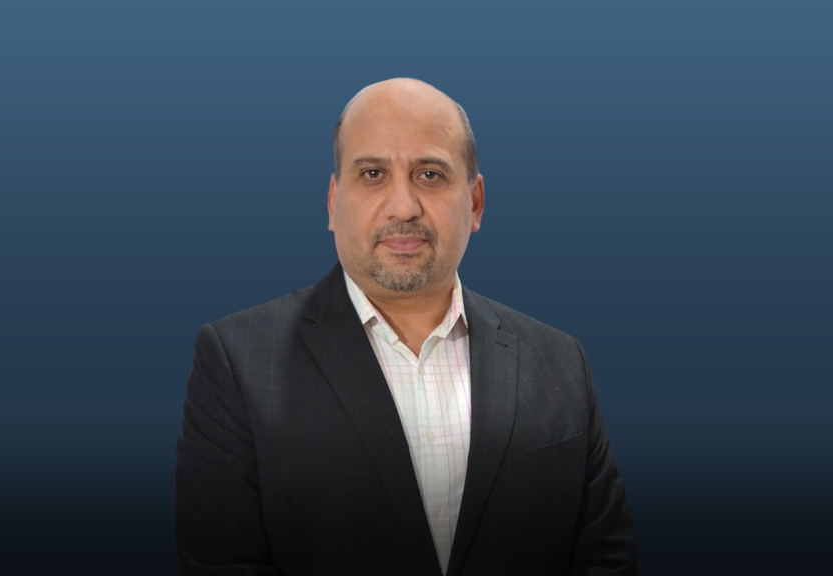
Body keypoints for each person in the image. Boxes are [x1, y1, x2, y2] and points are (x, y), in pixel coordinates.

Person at [175, 78, 636, 576]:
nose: (403, 206)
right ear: (333, 202)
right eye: (373, 173)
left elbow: (606, 559)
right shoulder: (238, 360)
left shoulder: (561, 361)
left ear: (475, 202)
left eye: (430, 174)